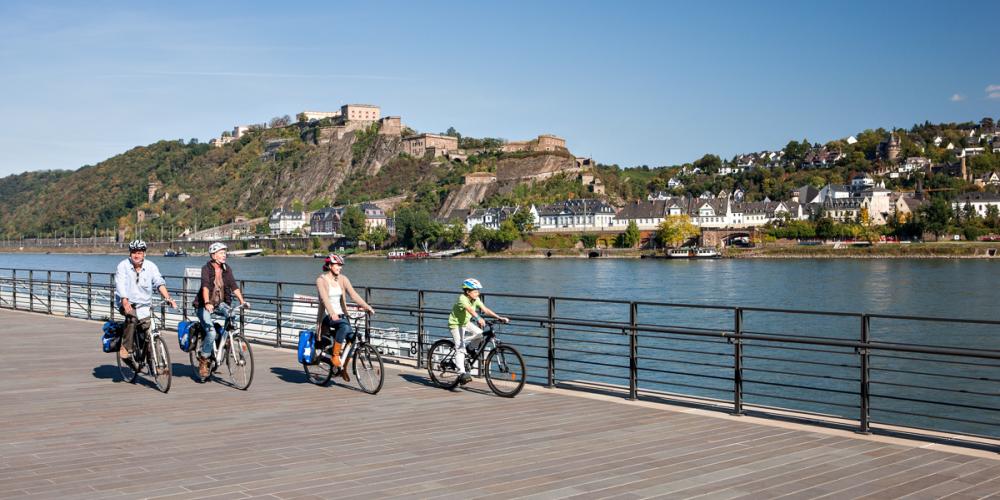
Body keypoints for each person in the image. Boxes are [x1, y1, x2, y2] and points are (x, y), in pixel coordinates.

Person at [192, 242, 249, 379]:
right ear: (214, 255)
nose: (225, 255)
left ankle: (225, 339)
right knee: (210, 333)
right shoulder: (206, 269)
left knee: (232, 313)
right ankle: (204, 360)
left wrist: (242, 301)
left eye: (225, 253)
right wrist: (206, 302)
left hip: (220, 303)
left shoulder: (226, 269)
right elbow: (205, 286)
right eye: (222, 253)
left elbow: (234, 286)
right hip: (203, 305)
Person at [114, 239, 177, 360]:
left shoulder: (151, 266)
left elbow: (159, 283)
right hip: (127, 302)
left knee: (149, 331)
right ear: (130, 253)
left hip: (144, 305)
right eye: (134, 252)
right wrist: (124, 300)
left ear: (144, 254)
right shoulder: (123, 266)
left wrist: (168, 298)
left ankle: (154, 362)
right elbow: (120, 284)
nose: (136, 255)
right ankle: (126, 347)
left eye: (139, 252)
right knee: (132, 318)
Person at [315, 254, 374, 381]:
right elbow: (325, 299)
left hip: (341, 315)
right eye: (337, 265)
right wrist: (332, 313)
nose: (340, 268)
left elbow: (353, 295)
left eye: (340, 266)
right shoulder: (321, 280)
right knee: (343, 326)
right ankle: (335, 355)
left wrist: (367, 306)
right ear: (330, 266)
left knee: (352, 339)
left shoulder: (342, 279)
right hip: (327, 316)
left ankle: (342, 368)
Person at [448, 278, 508, 385]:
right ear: (467, 292)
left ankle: (470, 349)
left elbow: (485, 309)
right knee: (460, 348)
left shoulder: (476, 299)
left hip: (465, 323)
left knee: (480, 334)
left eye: (478, 291)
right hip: (456, 324)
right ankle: (461, 373)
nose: (478, 293)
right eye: (475, 291)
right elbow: (470, 310)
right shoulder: (462, 298)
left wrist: (499, 317)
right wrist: (479, 318)